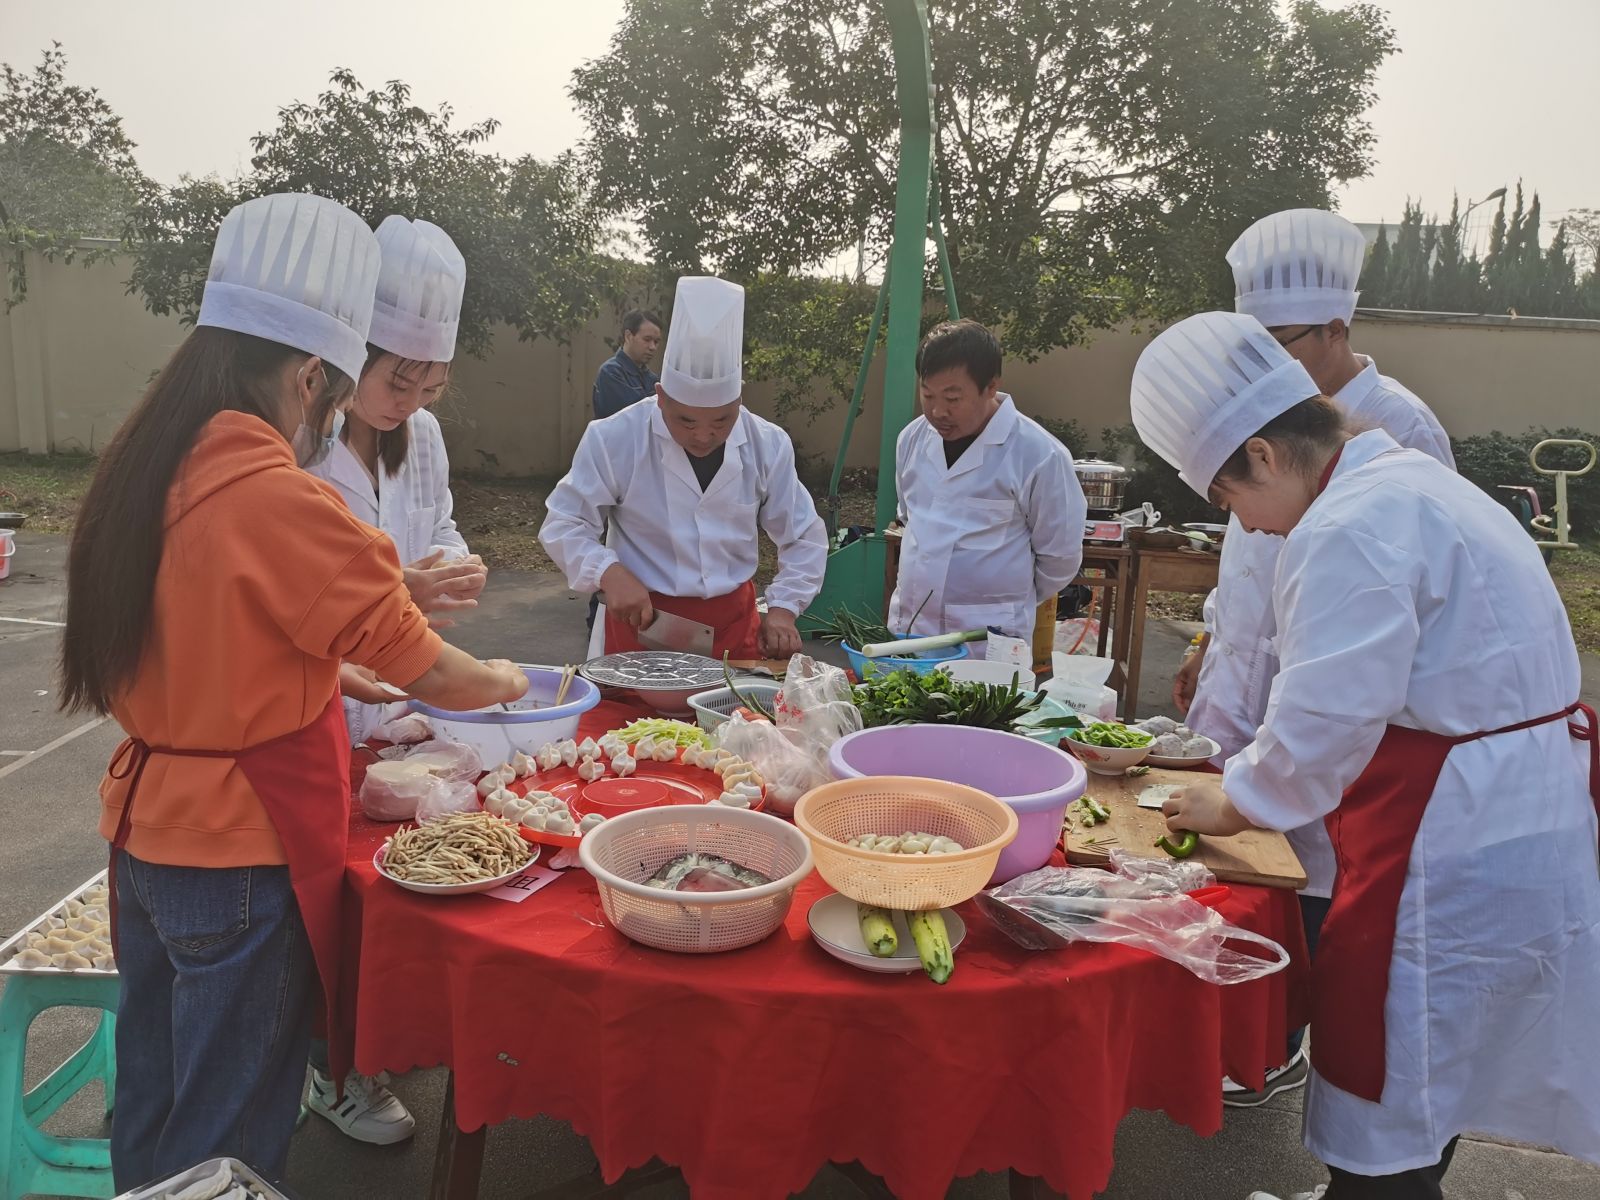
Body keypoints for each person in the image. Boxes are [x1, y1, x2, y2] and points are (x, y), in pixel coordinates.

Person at [59, 193, 528, 1190]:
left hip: (145, 835)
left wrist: (328, 669)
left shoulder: (149, 468)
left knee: (156, 1097)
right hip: (235, 851)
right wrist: (511, 680)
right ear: (311, 375)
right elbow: (436, 671)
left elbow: (211, 632)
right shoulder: (279, 497)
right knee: (227, 1131)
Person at [1131, 310, 1600, 1200]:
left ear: (1265, 455)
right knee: (1444, 1069)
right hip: (1520, 807)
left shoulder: (1347, 524)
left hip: (1454, 837)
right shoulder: (1411, 481)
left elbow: (1326, 718)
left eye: (1229, 500)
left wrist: (1234, 800)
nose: (1246, 525)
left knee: (1398, 1067)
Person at [1170, 209, 1457, 1107]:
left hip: (1340, 700)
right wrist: (1209, 640)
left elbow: (1389, 612)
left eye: (1278, 344)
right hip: (1258, 677)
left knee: (1316, 884)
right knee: (1242, 871)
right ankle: (1242, 1028)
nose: (1261, 365)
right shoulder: (1269, 420)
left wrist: (1269, 770)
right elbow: (1246, 551)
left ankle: (1284, 1041)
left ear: (1336, 329)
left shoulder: (1396, 431)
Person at [301, 214, 481, 1144]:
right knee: (325, 897)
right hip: (317, 695)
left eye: (429, 384)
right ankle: (330, 1067)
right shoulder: (301, 443)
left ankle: (376, 1038)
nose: (408, 401)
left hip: (398, 695)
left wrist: (450, 563)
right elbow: (295, 585)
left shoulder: (424, 435)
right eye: (395, 379)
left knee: (397, 877)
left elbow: (434, 522)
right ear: (349, 356)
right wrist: (396, 587)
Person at [541, 275, 826, 661]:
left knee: (735, 703)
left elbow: (803, 535)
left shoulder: (767, 444)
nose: (704, 436)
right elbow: (564, 522)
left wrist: (784, 607)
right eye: (686, 421)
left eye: (722, 421)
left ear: (739, 401)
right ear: (660, 397)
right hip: (642, 623)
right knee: (633, 705)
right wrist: (608, 572)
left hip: (733, 626)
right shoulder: (615, 438)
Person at [887, 319, 1085, 639]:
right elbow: (910, 518)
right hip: (911, 630)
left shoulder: (1039, 455)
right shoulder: (911, 440)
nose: (937, 412)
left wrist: (1004, 599)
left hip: (987, 639)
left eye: (952, 399)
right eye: (927, 395)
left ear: (991, 386)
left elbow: (1059, 559)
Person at [592, 308, 663, 419]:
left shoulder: (652, 379)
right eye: (647, 339)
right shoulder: (611, 373)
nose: (652, 347)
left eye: (656, 342)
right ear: (628, 336)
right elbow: (635, 418)